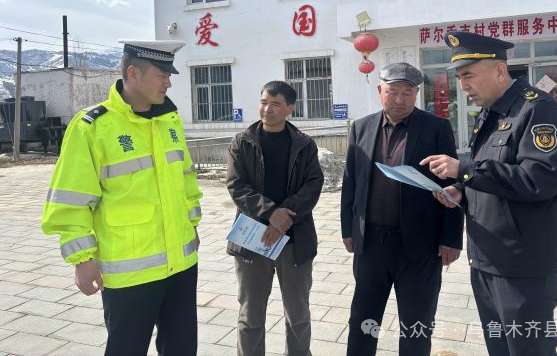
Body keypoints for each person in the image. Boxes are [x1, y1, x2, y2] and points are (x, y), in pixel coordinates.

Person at [42, 40, 202, 356]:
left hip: (181, 264)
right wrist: (82, 259)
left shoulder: (169, 120)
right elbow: (71, 199)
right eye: (162, 75)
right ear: (133, 73)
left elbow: (186, 181)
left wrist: (192, 225)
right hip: (130, 272)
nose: (168, 83)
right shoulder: (93, 127)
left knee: (182, 347)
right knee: (126, 349)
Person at [423, 31, 557, 356]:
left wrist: (464, 170)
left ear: (499, 70)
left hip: (522, 265)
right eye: (459, 77)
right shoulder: (492, 112)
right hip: (487, 259)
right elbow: (494, 172)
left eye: (468, 75)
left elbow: (539, 180)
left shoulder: (537, 110)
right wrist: (461, 191)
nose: (463, 86)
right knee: (500, 347)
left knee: (528, 349)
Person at [341, 62, 464, 356]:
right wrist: (349, 229)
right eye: (392, 92)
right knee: (363, 319)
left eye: (407, 93)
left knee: (416, 322)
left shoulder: (436, 128)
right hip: (371, 244)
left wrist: (451, 238)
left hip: (420, 246)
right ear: (379, 90)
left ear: (417, 93)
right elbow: (351, 181)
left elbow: (452, 184)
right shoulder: (361, 127)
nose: (399, 99)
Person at [226, 80, 324, 356]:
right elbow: (236, 185)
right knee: (251, 314)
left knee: (298, 314)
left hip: (294, 241)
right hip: (253, 239)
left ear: (290, 108)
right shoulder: (242, 142)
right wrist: (271, 213)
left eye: (276, 104)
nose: (267, 109)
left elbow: (313, 185)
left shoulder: (304, 145)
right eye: (264, 102)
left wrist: (283, 218)